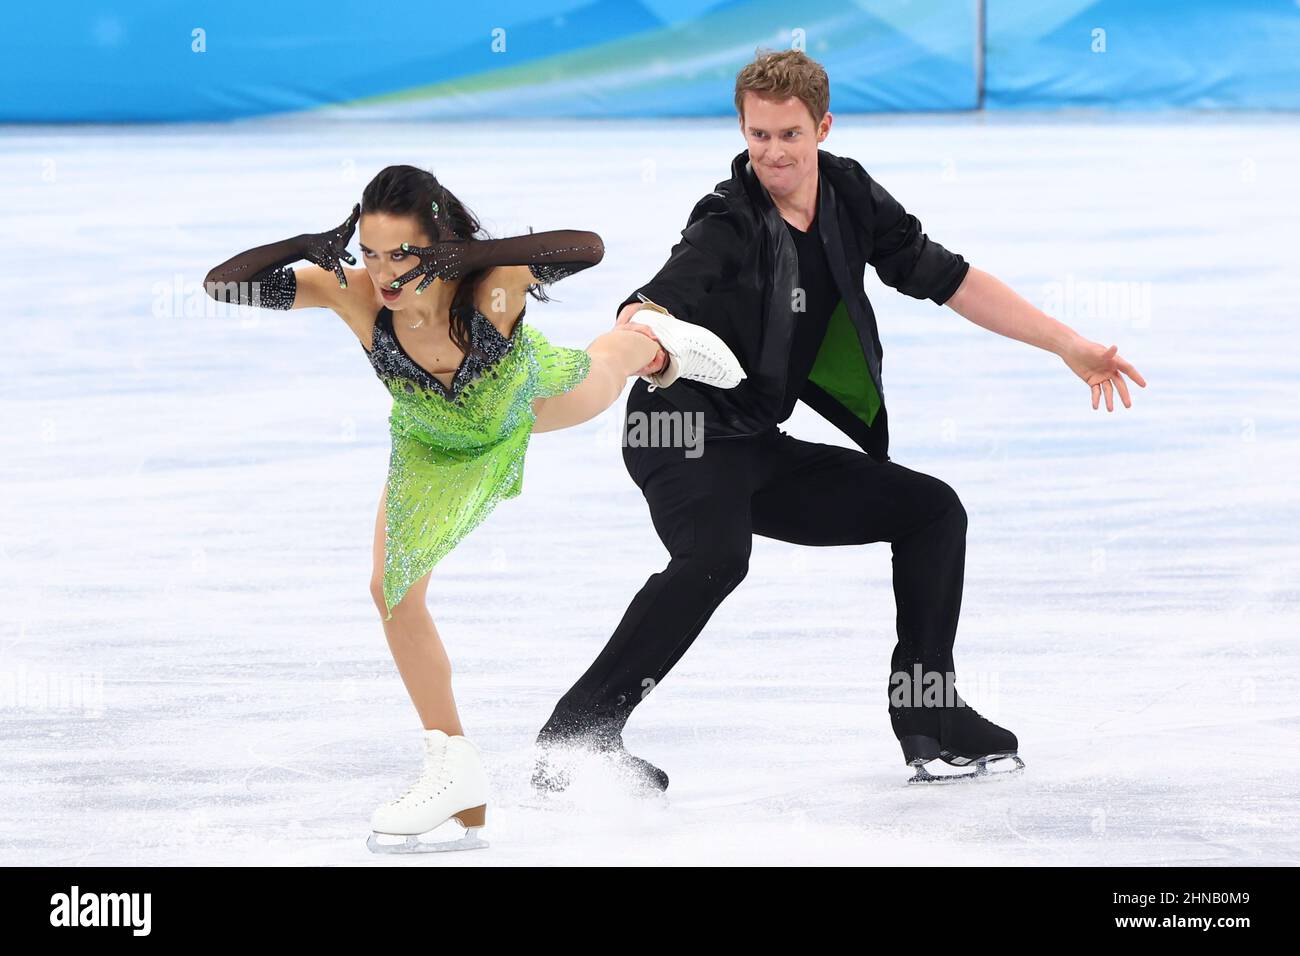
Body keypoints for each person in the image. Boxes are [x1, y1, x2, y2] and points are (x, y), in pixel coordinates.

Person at [535, 50, 1147, 789]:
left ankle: (930, 716)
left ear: (823, 127)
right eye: (758, 135)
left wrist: (1067, 344)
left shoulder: (849, 195)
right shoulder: (727, 220)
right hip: (680, 435)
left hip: (753, 441)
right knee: (715, 557)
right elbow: (653, 303)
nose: (772, 153)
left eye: (789, 135)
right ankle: (576, 734)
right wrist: (637, 339)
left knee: (931, 511)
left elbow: (949, 278)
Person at [204, 164, 745, 850]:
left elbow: (587, 247)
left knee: (607, 368)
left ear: (437, 245)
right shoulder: (353, 291)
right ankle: (453, 768)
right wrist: (304, 244)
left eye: (401, 253)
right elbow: (223, 285)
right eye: (370, 252)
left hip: (529, 403)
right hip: (430, 447)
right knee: (391, 589)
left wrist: (469, 256)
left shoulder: (490, 285)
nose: (383, 272)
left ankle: (650, 338)